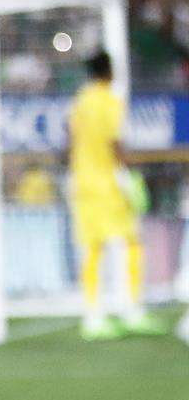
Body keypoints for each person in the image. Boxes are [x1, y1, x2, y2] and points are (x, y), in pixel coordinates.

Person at [68, 52, 166, 339]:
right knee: (132, 243)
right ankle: (132, 309)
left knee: (92, 248)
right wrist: (129, 174)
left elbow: (71, 139)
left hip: (82, 182)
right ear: (110, 71)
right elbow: (115, 143)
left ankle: (92, 316)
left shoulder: (80, 101)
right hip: (108, 183)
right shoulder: (110, 101)